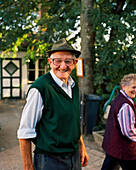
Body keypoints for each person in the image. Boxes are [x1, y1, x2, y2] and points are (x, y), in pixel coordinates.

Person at [17, 38, 89, 170]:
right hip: (50, 160)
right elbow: (24, 132)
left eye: (68, 61)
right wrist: (28, 167)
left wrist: (81, 147)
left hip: (73, 157)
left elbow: (73, 120)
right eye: (58, 61)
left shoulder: (73, 85)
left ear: (74, 63)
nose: (63, 66)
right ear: (50, 62)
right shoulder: (40, 88)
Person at [101, 73, 136, 170]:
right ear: (124, 87)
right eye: (133, 87)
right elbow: (128, 131)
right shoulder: (125, 105)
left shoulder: (119, 99)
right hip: (123, 149)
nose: (135, 90)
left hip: (114, 146)